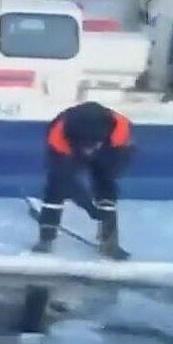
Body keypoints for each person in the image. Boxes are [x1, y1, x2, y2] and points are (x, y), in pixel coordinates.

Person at [34, 101, 133, 259]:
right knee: (55, 188)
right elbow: (64, 179)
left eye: (92, 146)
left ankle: (109, 240)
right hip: (70, 148)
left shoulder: (120, 131)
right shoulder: (58, 136)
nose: (88, 151)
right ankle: (46, 236)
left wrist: (102, 202)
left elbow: (114, 167)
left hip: (108, 149)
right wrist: (89, 206)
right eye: (85, 146)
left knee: (106, 185)